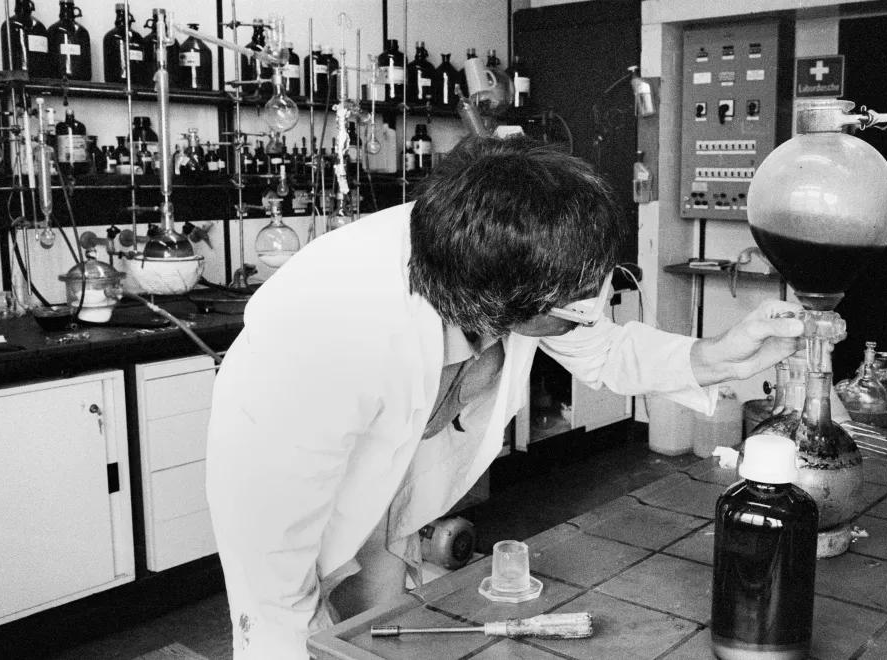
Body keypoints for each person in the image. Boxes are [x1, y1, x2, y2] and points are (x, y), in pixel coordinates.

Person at [206, 136, 806, 659]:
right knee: (290, 630)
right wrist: (289, 636)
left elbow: (602, 350)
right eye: (573, 304)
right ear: (500, 299)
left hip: (385, 477)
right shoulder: (333, 330)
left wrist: (718, 354)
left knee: (377, 627)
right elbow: (272, 551)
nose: (592, 310)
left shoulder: (494, 253)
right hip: (282, 480)